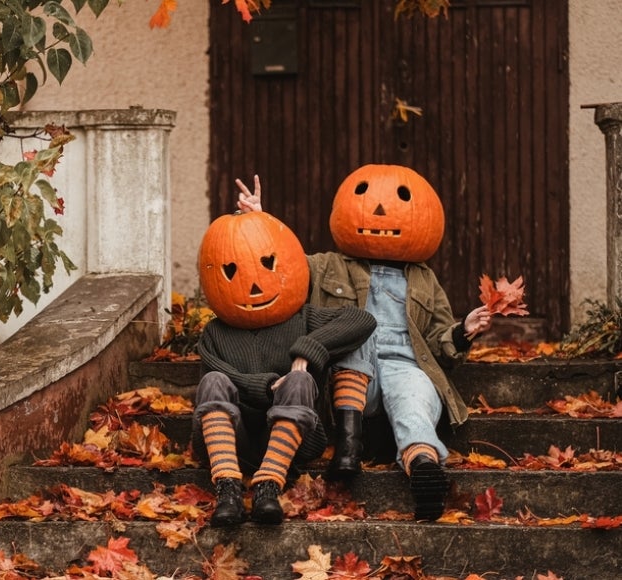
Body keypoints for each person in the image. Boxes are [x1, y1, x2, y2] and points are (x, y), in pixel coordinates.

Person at [236, 167, 492, 521]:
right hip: (351, 380)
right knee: (357, 331)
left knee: (414, 397)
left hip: (406, 364)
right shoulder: (327, 266)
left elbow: (438, 343)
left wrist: (462, 330)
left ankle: (423, 466)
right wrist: (261, 225)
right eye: (365, 198)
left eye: (401, 201)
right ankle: (348, 446)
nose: (381, 212)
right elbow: (283, 266)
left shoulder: (424, 279)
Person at [192, 209, 376, 527]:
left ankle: (268, 485)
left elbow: (362, 319)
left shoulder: (303, 318)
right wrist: (265, 385)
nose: (252, 285)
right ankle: (228, 489)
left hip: (296, 439)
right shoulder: (215, 333)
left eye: (267, 265)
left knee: (299, 381)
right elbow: (220, 374)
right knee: (213, 380)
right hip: (233, 439)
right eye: (231, 270)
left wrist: (308, 350)